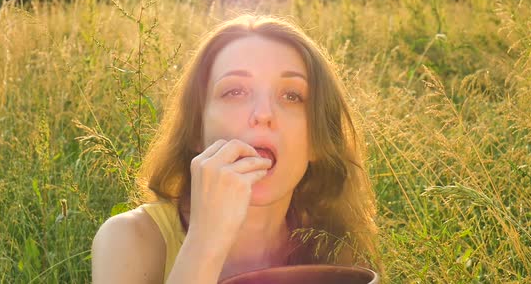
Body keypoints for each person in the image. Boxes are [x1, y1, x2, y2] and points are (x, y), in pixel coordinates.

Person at [91, 15, 380, 283]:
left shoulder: (336, 247)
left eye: (292, 95)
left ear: (318, 140)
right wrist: (206, 241)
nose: (264, 113)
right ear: (196, 131)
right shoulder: (131, 239)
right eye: (235, 91)